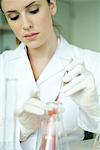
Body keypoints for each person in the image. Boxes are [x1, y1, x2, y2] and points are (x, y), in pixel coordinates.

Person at [0, 0, 100, 149]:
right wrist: (21, 132)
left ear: (52, 5)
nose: (25, 25)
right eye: (14, 17)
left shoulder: (93, 63)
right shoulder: (3, 65)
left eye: (33, 10)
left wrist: (96, 110)